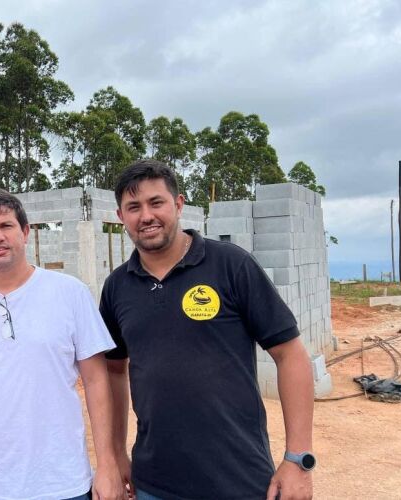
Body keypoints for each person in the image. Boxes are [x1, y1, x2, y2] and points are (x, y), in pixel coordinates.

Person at [101, 160, 315, 500]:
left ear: (179, 204)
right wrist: (113, 456)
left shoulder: (231, 265)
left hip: (239, 480)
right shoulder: (117, 287)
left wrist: (297, 460)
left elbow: (291, 356)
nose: (146, 216)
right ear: (120, 216)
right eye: (133, 207)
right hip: (154, 484)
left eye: (156, 202)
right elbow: (113, 370)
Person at [0, 189, 125, 500]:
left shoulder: (70, 293)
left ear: (26, 232)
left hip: (64, 484)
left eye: (6, 226)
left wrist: (108, 465)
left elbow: (96, 379)